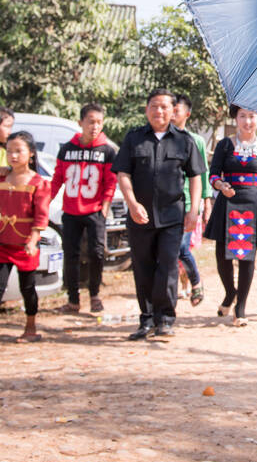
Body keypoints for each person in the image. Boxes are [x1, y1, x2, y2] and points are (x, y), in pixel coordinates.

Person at [112, 90, 204, 340]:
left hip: (172, 216)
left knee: (167, 266)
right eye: (154, 106)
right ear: (146, 109)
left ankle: (165, 319)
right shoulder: (134, 139)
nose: (159, 111)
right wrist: (131, 203)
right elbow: (123, 174)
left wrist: (193, 211)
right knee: (142, 267)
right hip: (140, 216)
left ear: (173, 111)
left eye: (164, 107)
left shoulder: (184, 141)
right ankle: (147, 319)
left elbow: (196, 176)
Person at [204, 105, 257, 327]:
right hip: (227, 203)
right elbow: (213, 174)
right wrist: (220, 185)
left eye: (252, 116)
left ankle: (240, 308)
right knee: (222, 256)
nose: (247, 121)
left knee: (248, 259)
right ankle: (230, 293)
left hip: (254, 206)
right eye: (242, 116)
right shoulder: (225, 145)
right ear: (235, 118)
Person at [49, 103, 117, 315]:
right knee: (71, 254)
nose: (95, 127)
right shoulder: (67, 149)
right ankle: (73, 300)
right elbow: (57, 179)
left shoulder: (106, 150)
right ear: (80, 123)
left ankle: (95, 294)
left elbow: (110, 182)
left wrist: (105, 208)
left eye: (99, 122)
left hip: (95, 211)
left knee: (97, 252)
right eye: (90, 122)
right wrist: (45, 202)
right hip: (71, 211)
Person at [0, 131, 51, 342]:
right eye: (9, 151)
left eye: (18, 151)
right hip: (3, 241)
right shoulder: (2, 177)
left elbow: (41, 215)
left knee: (27, 287)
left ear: (30, 154)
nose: (13, 156)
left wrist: (32, 240)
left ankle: (30, 327)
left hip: (24, 243)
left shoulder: (39, 183)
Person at [172, 95, 210, 307]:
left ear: (186, 114)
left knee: (181, 248)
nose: (171, 114)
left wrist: (205, 203)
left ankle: (195, 281)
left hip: (189, 204)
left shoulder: (197, 141)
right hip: (167, 204)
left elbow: (202, 174)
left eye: (176, 110)